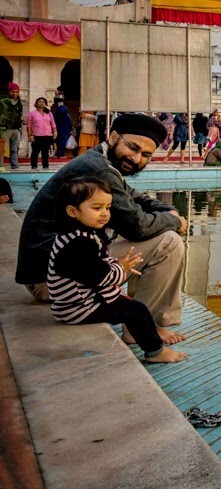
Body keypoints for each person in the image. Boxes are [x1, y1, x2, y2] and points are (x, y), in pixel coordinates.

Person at [17, 113, 188, 340]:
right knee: (168, 242)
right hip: (53, 281)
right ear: (114, 136)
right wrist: (176, 221)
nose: (137, 159)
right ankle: (143, 329)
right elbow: (137, 226)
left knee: (157, 233)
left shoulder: (101, 161)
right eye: (133, 148)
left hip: (58, 270)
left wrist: (167, 211)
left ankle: (142, 320)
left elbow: (136, 197)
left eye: (145, 154)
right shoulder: (98, 169)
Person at [48, 179, 186, 363]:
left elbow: (94, 265)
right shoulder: (78, 243)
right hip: (80, 307)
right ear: (72, 211)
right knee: (137, 311)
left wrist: (114, 264)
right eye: (97, 208)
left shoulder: (78, 233)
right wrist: (122, 268)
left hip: (78, 301)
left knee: (129, 303)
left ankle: (146, 336)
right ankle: (155, 351)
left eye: (107, 208)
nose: (105, 214)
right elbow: (99, 278)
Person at [27, 97, 56, 169]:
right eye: (40, 102)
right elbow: (29, 126)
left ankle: (45, 166)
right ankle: (34, 166)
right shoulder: (32, 113)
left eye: (43, 102)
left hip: (47, 136)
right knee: (35, 152)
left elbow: (53, 123)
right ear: (36, 103)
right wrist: (30, 135)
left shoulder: (49, 113)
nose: (41, 103)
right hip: (36, 136)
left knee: (45, 152)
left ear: (45, 104)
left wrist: (55, 132)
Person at [1, 82, 24, 168]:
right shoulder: (2, 102)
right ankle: (0, 166)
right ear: (9, 92)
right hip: (4, 129)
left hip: (16, 129)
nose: (15, 93)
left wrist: (21, 120)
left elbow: (19, 115)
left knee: (14, 149)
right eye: (13, 92)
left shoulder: (19, 103)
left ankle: (15, 166)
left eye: (16, 92)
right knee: (1, 149)